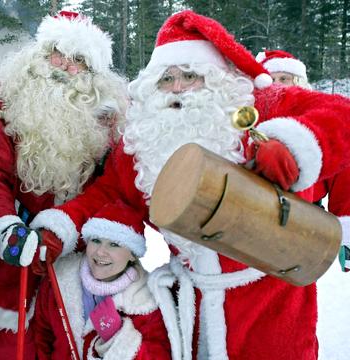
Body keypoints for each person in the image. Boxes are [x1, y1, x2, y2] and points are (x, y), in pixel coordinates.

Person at [26, 10, 350, 360]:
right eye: (166, 79)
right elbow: (110, 193)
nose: (177, 87)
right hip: (191, 303)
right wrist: (61, 227)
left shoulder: (260, 107)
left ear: (215, 79)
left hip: (272, 298)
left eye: (190, 76)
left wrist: (293, 146)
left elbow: (341, 115)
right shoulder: (145, 140)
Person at [0, 10, 128, 359]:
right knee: (14, 347)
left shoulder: (113, 117)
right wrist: (5, 225)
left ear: (93, 71)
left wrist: (66, 229)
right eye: (59, 52)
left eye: (79, 60)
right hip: (19, 246)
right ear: (41, 53)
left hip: (84, 250)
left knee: (75, 338)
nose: (66, 66)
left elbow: (113, 188)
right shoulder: (7, 100)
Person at [32, 201, 171, 359]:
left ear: (133, 254)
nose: (101, 252)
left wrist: (116, 337)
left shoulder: (144, 301)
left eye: (114, 244)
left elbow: (158, 355)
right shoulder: (58, 280)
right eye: (96, 240)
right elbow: (42, 337)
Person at [257, 49, 350, 272]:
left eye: (284, 79)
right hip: (254, 210)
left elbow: (344, 177)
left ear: (297, 82)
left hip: (303, 217)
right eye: (273, 79)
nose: (278, 84)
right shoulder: (251, 114)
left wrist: (345, 230)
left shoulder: (319, 118)